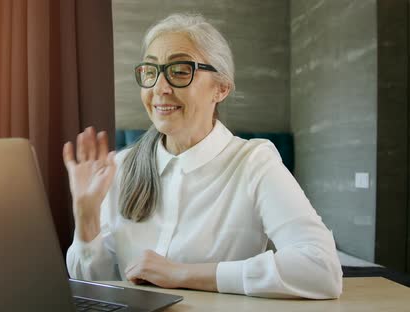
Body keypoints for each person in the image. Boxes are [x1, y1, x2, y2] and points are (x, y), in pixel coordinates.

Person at [62, 13, 342, 299]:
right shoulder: (120, 167)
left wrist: (182, 274)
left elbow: (321, 268)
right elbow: (94, 285)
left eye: (180, 71)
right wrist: (86, 218)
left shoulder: (254, 163)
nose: (160, 88)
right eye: (150, 71)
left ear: (221, 88)